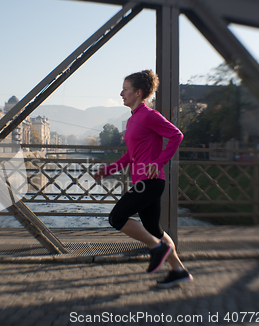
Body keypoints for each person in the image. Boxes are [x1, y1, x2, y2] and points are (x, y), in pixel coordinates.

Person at [93, 69, 193, 288]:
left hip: (152, 182)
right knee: (154, 230)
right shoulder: (132, 120)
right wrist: (106, 170)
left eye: (126, 90)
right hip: (143, 182)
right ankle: (178, 270)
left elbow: (177, 135)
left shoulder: (149, 115)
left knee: (116, 218)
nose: (121, 93)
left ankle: (157, 248)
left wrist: (158, 163)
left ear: (138, 92)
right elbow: (130, 156)